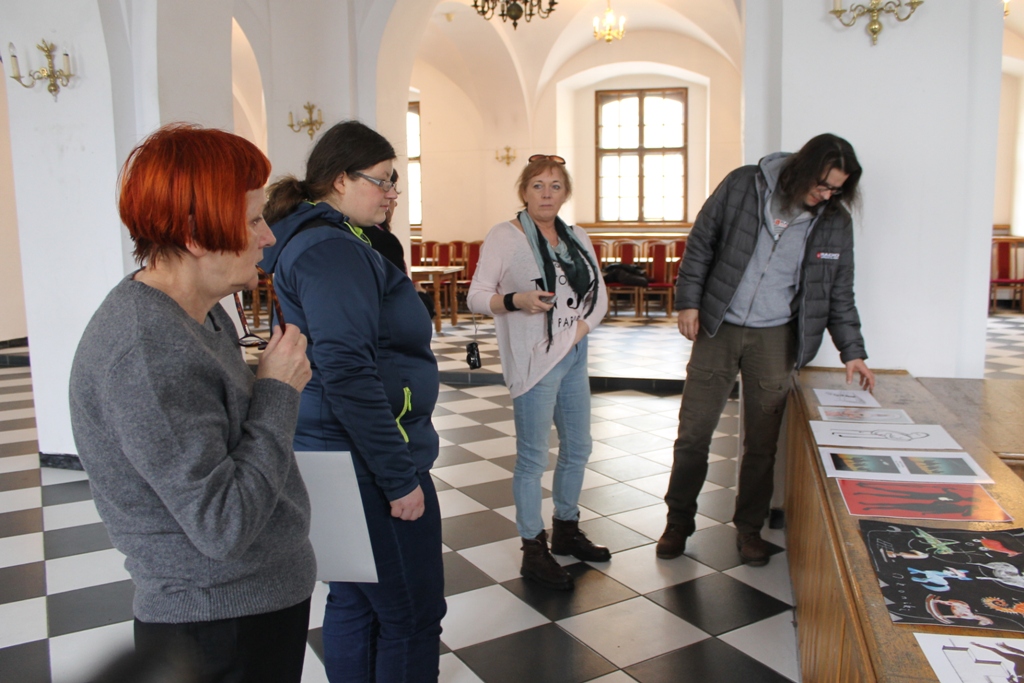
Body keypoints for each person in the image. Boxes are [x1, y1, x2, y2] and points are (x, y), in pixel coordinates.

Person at [69, 124, 316, 683]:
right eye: (252, 220)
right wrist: (277, 391)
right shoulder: (146, 350)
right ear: (196, 234)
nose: (267, 237)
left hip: (247, 606)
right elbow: (223, 525)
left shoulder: (195, 314)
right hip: (217, 626)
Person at [260, 120, 444, 683]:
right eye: (383, 180)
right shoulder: (332, 249)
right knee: (411, 617)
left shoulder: (327, 239)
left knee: (357, 602)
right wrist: (399, 478)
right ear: (341, 180)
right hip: (364, 461)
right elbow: (347, 371)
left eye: (395, 182)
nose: (392, 193)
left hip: (337, 452)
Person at [657, 133, 876, 567]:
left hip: (777, 337)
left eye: (835, 190)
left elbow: (839, 292)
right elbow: (701, 242)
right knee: (693, 434)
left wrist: (853, 351)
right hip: (718, 326)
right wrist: (688, 302)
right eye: (822, 185)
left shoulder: (835, 221)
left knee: (762, 443)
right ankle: (678, 521)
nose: (826, 195)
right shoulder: (744, 184)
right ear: (802, 169)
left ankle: (749, 528)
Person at [467, 154, 609, 591]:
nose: (547, 194)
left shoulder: (577, 237)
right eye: (538, 186)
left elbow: (599, 297)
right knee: (532, 458)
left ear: (566, 193)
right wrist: (516, 301)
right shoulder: (505, 236)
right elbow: (477, 296)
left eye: (555, 186)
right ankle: (533, 548)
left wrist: (579, 331)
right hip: (534, 361)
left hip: (574, 354)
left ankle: (566, 528)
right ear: (524, 191)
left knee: (578, 447)